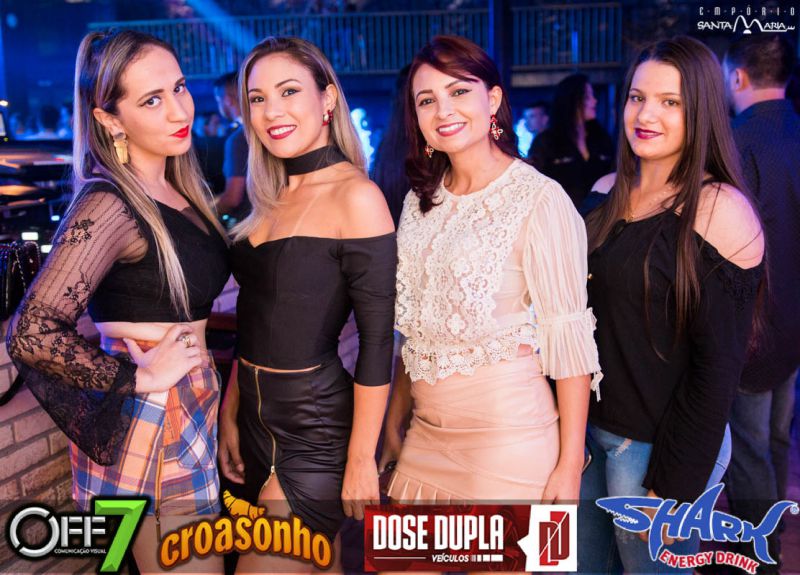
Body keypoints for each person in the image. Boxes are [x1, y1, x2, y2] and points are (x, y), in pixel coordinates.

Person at [6, 30, 230, 574]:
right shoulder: (109, 201)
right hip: (155, 410)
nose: (178, 109)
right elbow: (31, 332)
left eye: (179, 88)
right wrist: (140, 378)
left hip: (189, 399)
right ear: (110, 120)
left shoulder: (177, 185)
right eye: (151, 100)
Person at [380, 35, 600, 513]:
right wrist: (395, 420)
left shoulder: (540, 198)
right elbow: (413, 333)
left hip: (510, 444)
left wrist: (568, 464)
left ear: (493, 99)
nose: (443, 110)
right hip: (423, 437)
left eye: (459, 91)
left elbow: (569, 338)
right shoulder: (418, 201)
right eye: (426, 100)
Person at [579, 36, 765, 574]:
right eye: (637, 97)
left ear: (700, 111)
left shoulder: (719, 210)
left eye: (670, 102)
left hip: (659, 449)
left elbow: (717, 370)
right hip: (586, 436)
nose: (646, 115)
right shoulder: (603, 193)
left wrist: (674, 487)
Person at [218, 36, 395, 572]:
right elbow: (255, 317)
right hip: (253, 418)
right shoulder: (269, 194)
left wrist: (361, 458)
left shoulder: (356, 196)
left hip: (314, 428)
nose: (272, 111)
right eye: (257, 98)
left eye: (289, 91)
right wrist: (231, 410)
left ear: (327, 99)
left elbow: (378, 340)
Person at [720, 33, 800, 573]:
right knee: (773, 434)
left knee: (747, 445)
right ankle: (775, 529)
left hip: (753, 323)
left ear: (737, 76)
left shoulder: (735, 140)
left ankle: (759, 552)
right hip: (793, 322)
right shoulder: (795, 129)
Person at [529, 74, 614, 208]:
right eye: (587, 97)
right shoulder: (547, 141)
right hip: (561, 216)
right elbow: (534, 185)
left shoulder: (601, 138)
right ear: (571, 101)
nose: (594, 101)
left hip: (601, 216)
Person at [213, 71, 249, 220]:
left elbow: (233, 198)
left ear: (227, 100)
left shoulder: (238, 138)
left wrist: (204, 216)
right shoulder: (259, 130)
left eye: (218, 100)